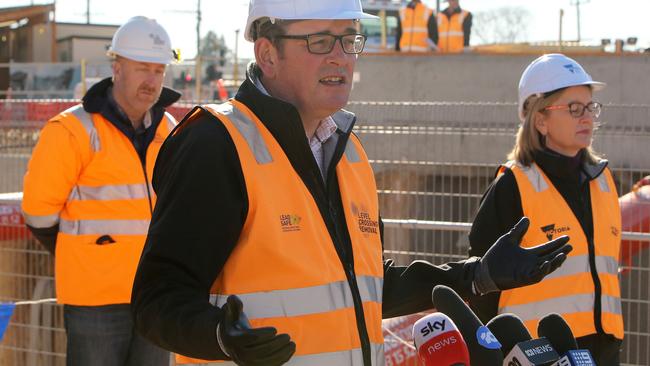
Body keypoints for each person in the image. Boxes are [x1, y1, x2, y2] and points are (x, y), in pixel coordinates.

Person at [131, 1, 572, 365]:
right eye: (320, 41)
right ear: (267, 53)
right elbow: (156, 300)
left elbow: (370, 286)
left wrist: (478, 275)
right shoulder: (216, 144)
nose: (340, 56)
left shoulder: (349, 152)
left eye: (350, 38)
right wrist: (219, 336)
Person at [21, 16, 180, 366]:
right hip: (94, 300)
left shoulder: (169, 130)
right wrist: (85, 257)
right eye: (142, 68)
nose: (151, 80)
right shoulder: (71, 131)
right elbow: (38, 213)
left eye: (159, 70)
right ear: (117, 68)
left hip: (156, 293)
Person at [468, 54, 623, 365]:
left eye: (590, 107)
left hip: (604, 348)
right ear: (540, 119)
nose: (587, 118)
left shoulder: (604, 180)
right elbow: (480, 282)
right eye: (574, 108)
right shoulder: (512, 186)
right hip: (537, 351)